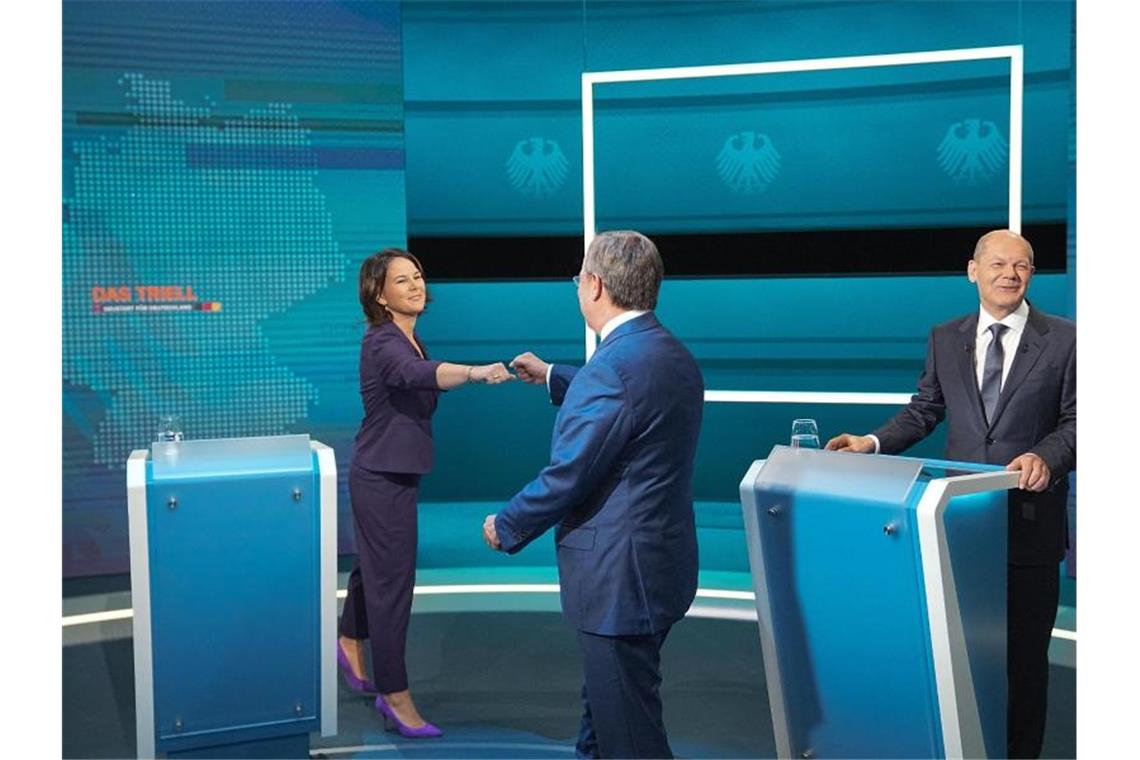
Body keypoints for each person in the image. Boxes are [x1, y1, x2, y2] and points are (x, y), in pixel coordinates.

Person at [826, 229, 1075, 758]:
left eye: (1023, 266)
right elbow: (925, 410)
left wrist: (1045, 458)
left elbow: (1081, 420)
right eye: (1000, 264)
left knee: (1025, 665)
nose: (1010, 274)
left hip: (1029, 525)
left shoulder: (1066, 339)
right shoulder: (945, 337)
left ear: (1032, 275)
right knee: (961, 659)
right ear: (973, 271)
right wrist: (872, 443)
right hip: (961, 526)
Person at [483, 230, 705, 759]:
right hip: (658, 568)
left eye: (579, 277)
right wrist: (556, 376)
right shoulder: (668, 352)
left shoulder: (613, 369)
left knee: (629, 739)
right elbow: (632, 403)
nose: (577, 286)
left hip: (619, 581)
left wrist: (507, 524)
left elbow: (569, 474)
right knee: (604, 725)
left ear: (596, 286)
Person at [337, 248, 514, 738]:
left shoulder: (409, 338)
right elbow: (419, 377)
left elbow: (422, 377)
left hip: (392, 474)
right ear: (379, 294)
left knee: (375, 568)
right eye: (402, 280)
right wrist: (476, 373)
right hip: (381, 478)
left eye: (417, 276)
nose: (416, 285)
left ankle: (350, 638)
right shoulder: (381, 342)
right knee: (392, 587)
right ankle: (394, 695)